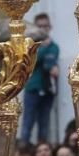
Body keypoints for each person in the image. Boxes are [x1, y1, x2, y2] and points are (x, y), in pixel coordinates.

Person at [19, 13, 60, 144]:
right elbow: (33, 61)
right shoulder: (30, 46)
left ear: (50, 27)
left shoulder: (54, 46)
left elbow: (50, 62)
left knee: (44, 124)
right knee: (27, 123)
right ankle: (23, 151)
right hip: (32, 88)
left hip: (47, 89)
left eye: (45, 26)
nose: (43, 29)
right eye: (40, 26)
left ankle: (41, 152)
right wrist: (44, 47)